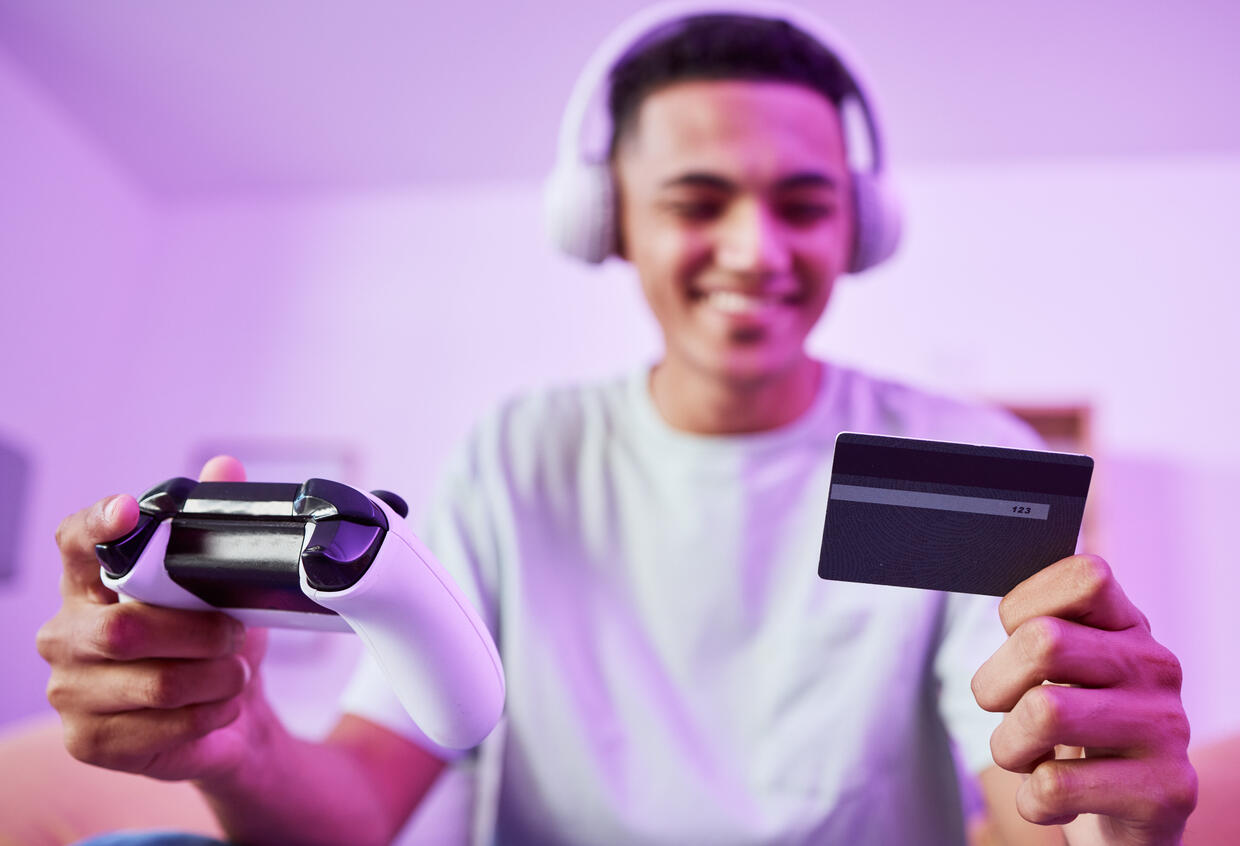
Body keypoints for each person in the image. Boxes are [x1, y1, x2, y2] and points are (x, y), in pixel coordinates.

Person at [38, 4, 1196, 845]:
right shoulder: (516, 453)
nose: (757, 251)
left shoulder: (970, 454)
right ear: (609, 223)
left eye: (804, 204)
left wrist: (1105, 818)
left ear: (860, 228)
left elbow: (1023, 806)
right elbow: (356, 810)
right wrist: (238, 745)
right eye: (698, 203)